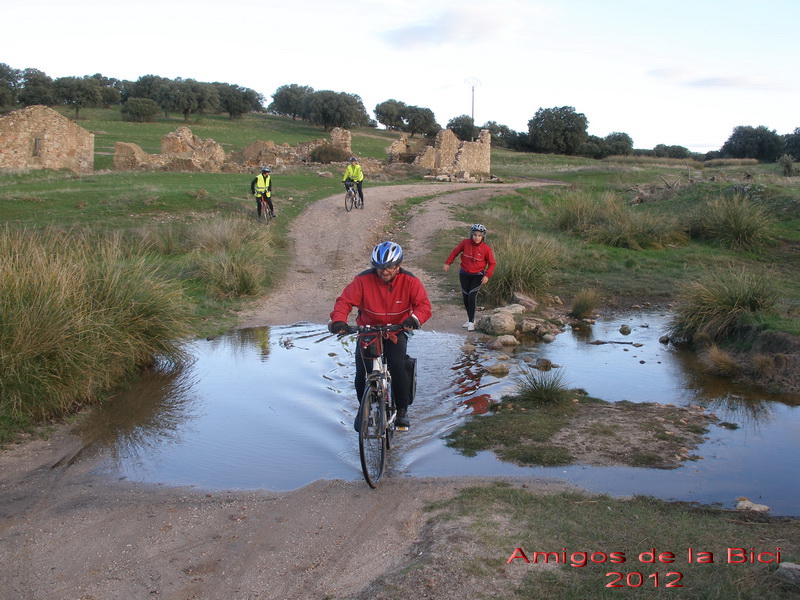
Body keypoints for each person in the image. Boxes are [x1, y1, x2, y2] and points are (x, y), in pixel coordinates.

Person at [329, 241, 431, 429]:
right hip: (368, 330)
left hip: (396, 330)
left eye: (389, 267)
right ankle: (364, 408)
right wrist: (338, 320)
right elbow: (344, 301)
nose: (384, 272)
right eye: (379, 268)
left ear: (398, 265)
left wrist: (415, 319)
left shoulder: (410, 281)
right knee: (362, 370)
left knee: (397, 364)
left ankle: (402, 410)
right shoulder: (362, 280)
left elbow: (423, 305)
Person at [443, 224, 496, 331]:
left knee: (472, 296)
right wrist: (448, 263)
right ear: (471, 235)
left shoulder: (486, 249)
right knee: (466, 297)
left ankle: (471, 322)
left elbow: (492, 263)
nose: (477, 237)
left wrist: (487, 275)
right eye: (475, 235)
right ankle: (470, 319)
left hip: (478, 276)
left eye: (479, 236)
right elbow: (455, 252)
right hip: (464, 274)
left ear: (483, 236)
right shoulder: (465, 243)